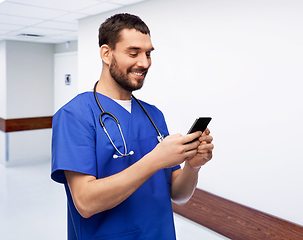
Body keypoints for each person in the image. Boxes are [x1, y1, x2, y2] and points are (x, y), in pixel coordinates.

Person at [51, 13, 214, 240]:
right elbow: (85, 202)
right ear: (107, 54)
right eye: (133, 53)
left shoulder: (153, 115)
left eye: (148, 54)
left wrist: (193, 167)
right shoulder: (75, 115)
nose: (144, 63)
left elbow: (178, 194)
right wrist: (156, 159)